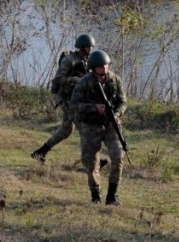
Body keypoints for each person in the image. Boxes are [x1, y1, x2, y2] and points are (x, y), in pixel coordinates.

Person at [67, 49, 127, 204]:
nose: (105, 69)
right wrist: (95, 108)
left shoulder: (115, 80)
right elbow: (74, 105)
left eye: (106, 65)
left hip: (110, 124)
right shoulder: (84, 82)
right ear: (94, 68)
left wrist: (117, 114)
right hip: (90, 125)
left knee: (118, 156)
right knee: (91, 161)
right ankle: (95, 193)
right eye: (101, 66)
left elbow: (122, 102)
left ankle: (112, 195)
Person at [31, 33, 95, 162]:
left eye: (92, 47)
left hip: (76, 98)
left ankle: (41, 152)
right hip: (67, 99)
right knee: (84, 128)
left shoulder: (86, 61)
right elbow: (58, 78)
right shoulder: (70, 60)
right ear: (82, 47)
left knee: (66, 130)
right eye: (89, 47)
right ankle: (92, 161)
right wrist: (74, 79)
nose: (91, 49)